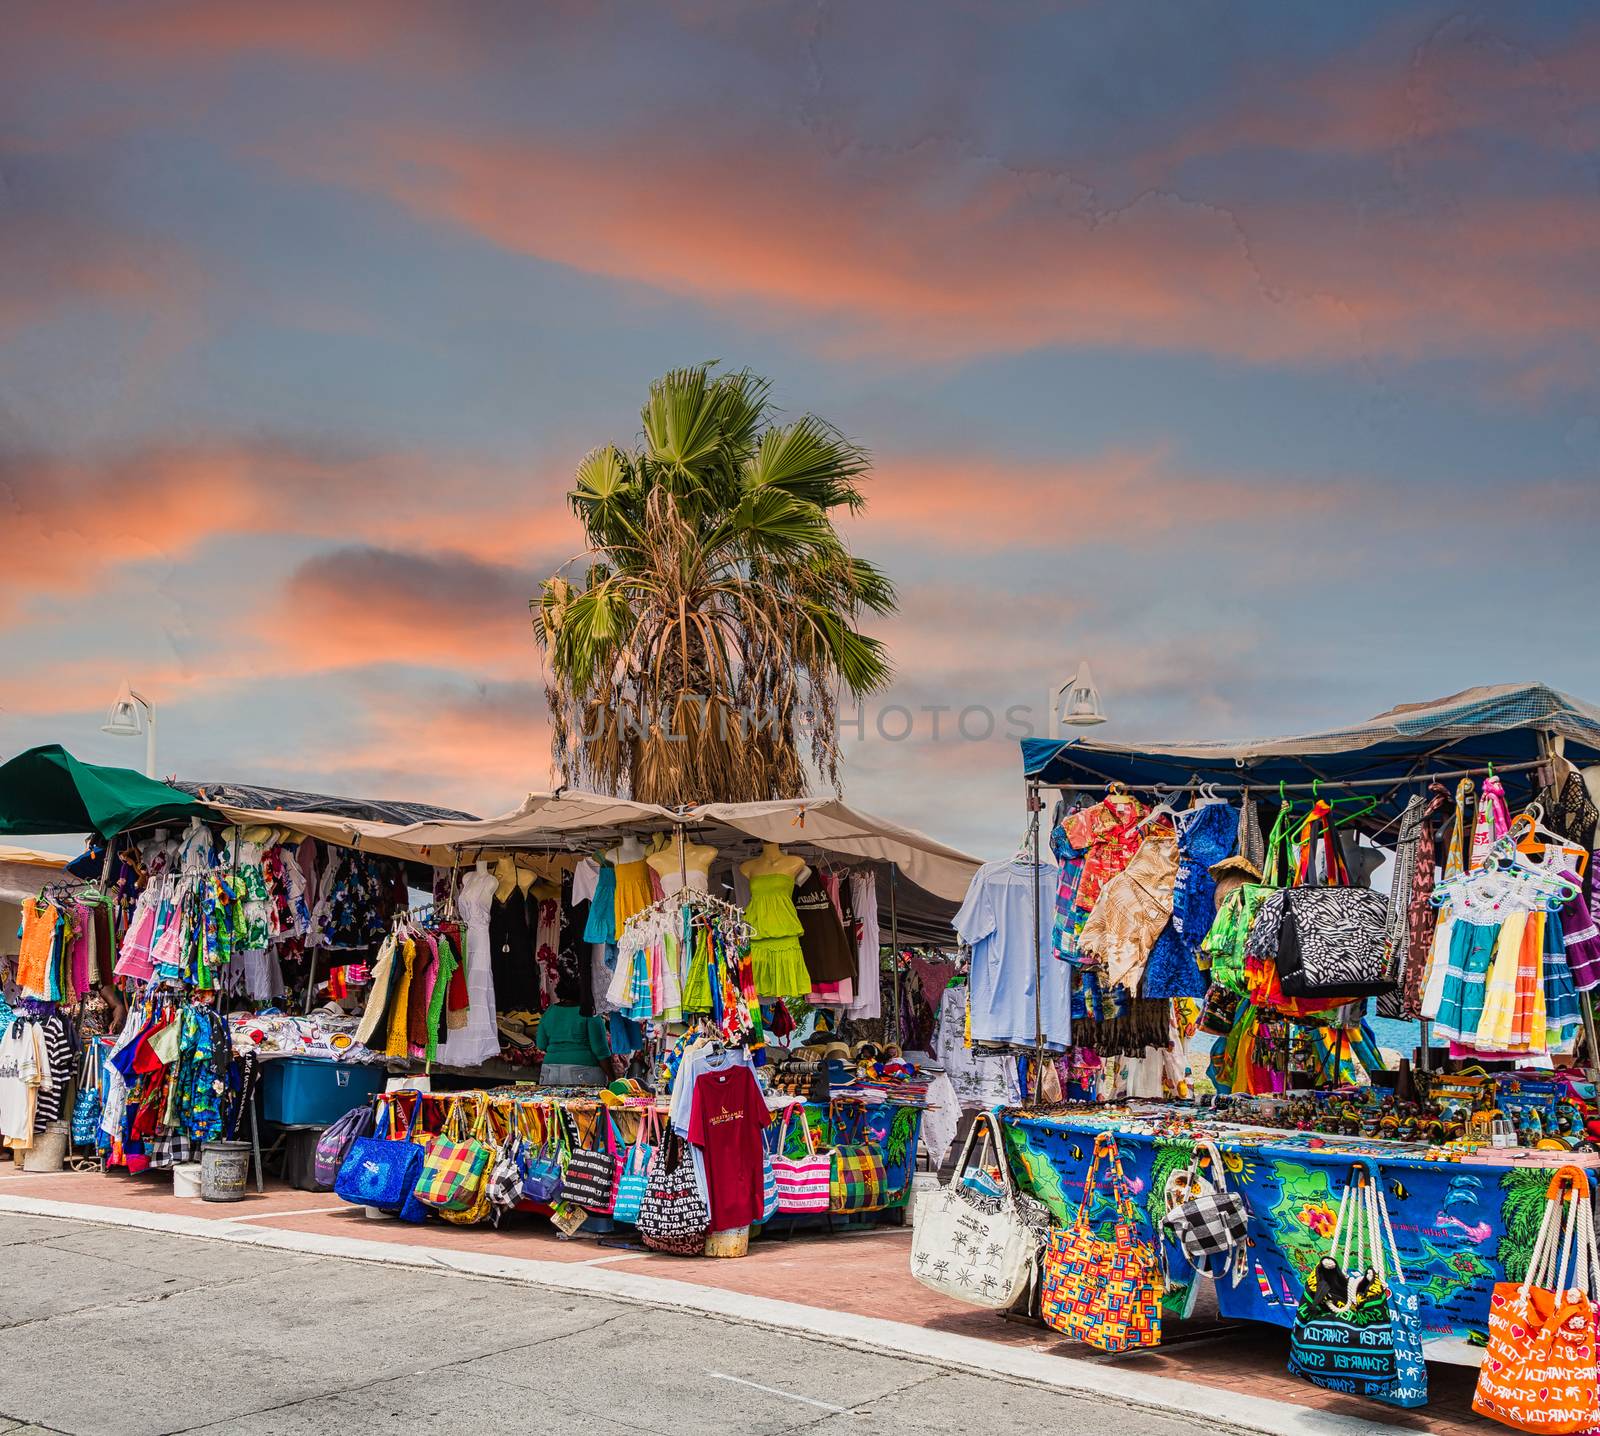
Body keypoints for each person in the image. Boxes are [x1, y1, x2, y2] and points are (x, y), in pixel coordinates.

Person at [535, 972, 611, 1085]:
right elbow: (600, 1050)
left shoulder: (549, 1012)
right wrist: (613, 1078)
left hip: (550, 1070)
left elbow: (541, 1044)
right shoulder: (588, 1013)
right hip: (583, 1071)